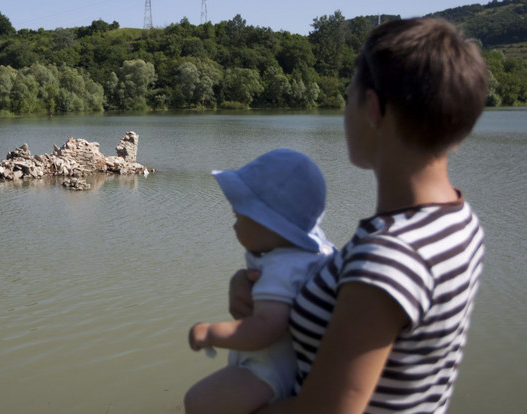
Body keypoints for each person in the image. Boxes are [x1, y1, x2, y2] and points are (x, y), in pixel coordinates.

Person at [229, 18, 489, 413]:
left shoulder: (391, 255)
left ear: (372, 107)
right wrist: (266, 291)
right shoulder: (458, 221)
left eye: (348, 96)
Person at [184, 149, 335, 414]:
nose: (234, 227)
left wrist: (209, 333)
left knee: (197, 401)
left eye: (238, 217)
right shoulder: (316, 251)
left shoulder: (281, 268)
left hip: (267, 372)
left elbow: (266, 328)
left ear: (271, 224)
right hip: (292, 367)